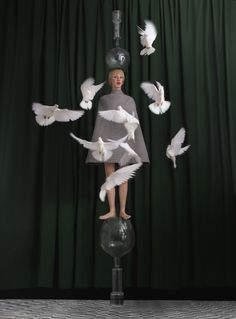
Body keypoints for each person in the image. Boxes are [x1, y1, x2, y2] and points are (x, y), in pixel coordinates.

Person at [86, 69, 149, 220]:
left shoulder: (129, 100)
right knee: (110, 177)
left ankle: (122, 210)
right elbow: (100, 123)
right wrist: (99, 144)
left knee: (123, 177)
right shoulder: (104, 99)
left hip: (124, 141)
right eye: (115, 77)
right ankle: (112, 210)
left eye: (121, 77)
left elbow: (134, 124)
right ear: (110, 80)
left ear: (124, 80)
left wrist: (135, 145)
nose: (118, 79)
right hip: (108, 141)